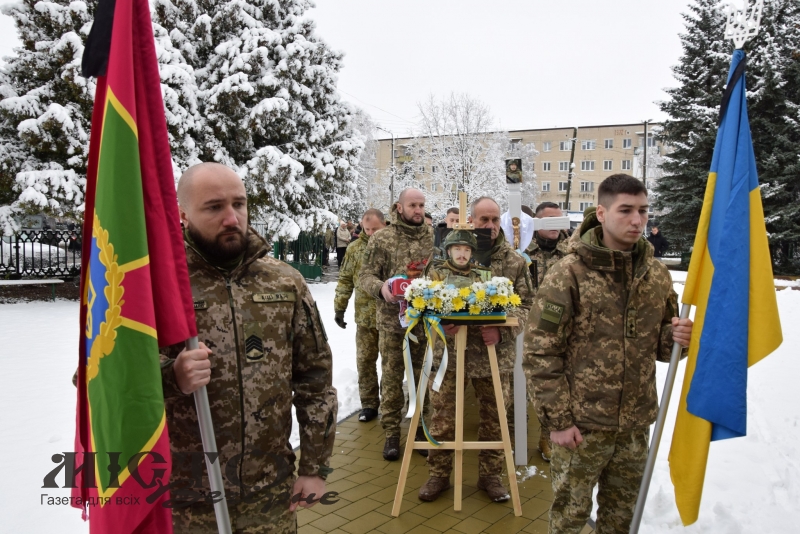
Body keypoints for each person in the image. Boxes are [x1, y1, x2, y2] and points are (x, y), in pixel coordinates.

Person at [161, 163, 337, 534]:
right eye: (214, 207)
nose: (231, 218)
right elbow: (97, 376)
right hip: (185, 499)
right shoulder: (156, 286)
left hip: (270, 494)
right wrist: (169, 374)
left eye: (239, 204)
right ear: (182, 214)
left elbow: (315, 379)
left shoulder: (284, 282)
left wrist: (314, 468)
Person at [524, 174, 693, 534]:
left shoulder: (657, 275)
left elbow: (661, 347)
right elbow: (540, 352)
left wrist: (677, 337)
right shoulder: (568, 273)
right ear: (601, 213)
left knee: (622, 518)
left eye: (643, 211)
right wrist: (558, 421)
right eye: (626, 210)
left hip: (633, 426)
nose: (637, 220)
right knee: (569, 517)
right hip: (581, 427)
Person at [419, 197, 533, 503]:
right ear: (471, 222)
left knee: (495, 416)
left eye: (496, 220)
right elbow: (425, 303)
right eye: (484, 220)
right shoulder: (442, 262)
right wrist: (438, 325)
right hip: (450, 356)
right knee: (442, 416)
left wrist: (506, 326)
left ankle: (490, 476)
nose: (491, 226)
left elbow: (527, 306)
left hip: (493, 356)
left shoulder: (515, 262)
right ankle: (439, 474)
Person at [359, 188, 434, 461]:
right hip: (392, 323)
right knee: (391, 380)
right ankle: (391, 433)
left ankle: (419, 431)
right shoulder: (382, 238)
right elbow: (365, 276)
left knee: (421, 377)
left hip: (424, 322)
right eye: (413, 205)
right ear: (399, 207)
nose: (418, 210)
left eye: (421, 205)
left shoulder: (431, 237)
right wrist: (381, 289)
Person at [523, 201, 570, 462]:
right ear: (537, 224)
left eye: (559, 219)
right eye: (548, 220)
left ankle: (547, 436)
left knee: (553, 385)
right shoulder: (524, 251)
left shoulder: (571, 252)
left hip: (559, 329)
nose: (555, 225)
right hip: (526, 326)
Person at [334, 209, 386, 423]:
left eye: (375, 229)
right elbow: (345, 279)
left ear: (384, 225)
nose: (371, 233)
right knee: (365, 362)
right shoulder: (355, 249)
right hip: (365, 318)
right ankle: (369, 404)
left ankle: (392, 405)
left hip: (391, 318)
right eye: (367, 229)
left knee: (391, 365)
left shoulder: (391, 247)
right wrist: (339, 307)